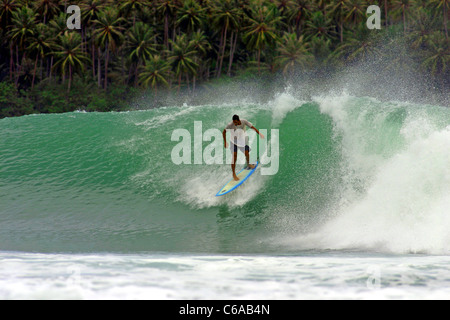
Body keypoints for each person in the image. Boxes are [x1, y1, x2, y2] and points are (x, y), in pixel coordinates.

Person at [222, 115, 264, 181]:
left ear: (239, 120)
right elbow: (224, 132)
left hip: (241, 141)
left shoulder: (244, 121)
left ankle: (249, 164)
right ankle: (234, 174)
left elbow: (252, 127)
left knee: (246, 153)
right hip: (233, 142)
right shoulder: (230, 125)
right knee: (234, 157)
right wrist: (225, 142)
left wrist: (260, 133)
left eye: (236, 122)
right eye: (234, 122)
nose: (234, 124)